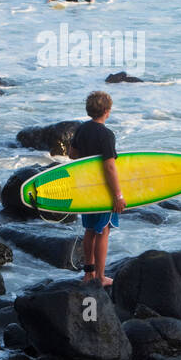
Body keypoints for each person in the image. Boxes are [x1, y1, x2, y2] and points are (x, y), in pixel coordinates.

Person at [71, 90, 124, 286]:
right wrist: (118, 195)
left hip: (86, 188)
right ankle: (101, 277)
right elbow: (110, 166)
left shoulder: (81, 129)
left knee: (90, 230)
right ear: (107, 111)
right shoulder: (106, 134)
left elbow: (72, 155)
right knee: (103, 231)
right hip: (102, 190)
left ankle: (88, 273)